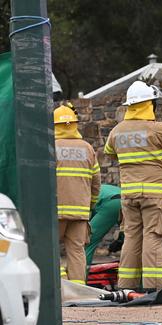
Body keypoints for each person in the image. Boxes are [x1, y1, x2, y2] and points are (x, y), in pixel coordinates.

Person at [104, 81, 162, 291]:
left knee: (132, 238)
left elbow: (109, 151)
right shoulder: (157, 129)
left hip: (129, 194)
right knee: (153, 237)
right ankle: (156, 288)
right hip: (155, 194)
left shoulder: (116, 132)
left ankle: (127, 286)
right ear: (148, 104)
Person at [54, 104, 101, 284]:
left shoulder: (49, 147)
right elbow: (96, 183)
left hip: (55, 211)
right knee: (77, 251)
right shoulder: (87, 148)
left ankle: (61, 284)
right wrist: (90, 205)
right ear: (74, 124)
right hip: (80, 211)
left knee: (50, 249)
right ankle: (78, 291)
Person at [86, 184, 121, 265]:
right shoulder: (101, 187)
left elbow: (89, 224)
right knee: (131, 237)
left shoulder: (84, 193)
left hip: (111, 203)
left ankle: (80, 275)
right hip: (126, 200)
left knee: (87, 240)